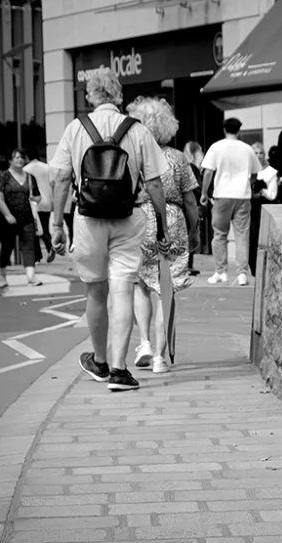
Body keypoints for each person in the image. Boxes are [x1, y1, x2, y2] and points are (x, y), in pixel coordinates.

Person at [49, 69, 173, 392]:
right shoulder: (137, 130)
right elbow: (156, 183)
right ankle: (119, 371)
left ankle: (99, 362)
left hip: (87, 220)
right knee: (122, 289)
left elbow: (61, 179)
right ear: (118, 96)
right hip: (126, 218)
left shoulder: (75, 129)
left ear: (90, 96)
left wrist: (56, 223)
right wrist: (162, 224)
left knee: (95, 291)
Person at [126, 96, 200, 374]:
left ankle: (143, 342)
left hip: (139, 221)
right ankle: (159, 357)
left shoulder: (134, 156)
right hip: (172, 221)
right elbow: (191, 201)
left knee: (141, 285)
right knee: (164, 291)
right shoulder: (178, 159)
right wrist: (194, 232)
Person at [200, 117, 261, 286]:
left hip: (222, 195)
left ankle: (221, 272)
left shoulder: (217, 147)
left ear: (224, 130)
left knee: (219, 234)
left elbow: (207, 172)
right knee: (242, 236)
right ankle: (242, 274)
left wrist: (204, 193)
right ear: (239, 130)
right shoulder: (247, 149)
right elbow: (256, 173)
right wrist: (248, 184)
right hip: (243, 196)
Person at [0, 148, 44, 289]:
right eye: (16, 157)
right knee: (7, 247)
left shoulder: (29, 177)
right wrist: (8, 215)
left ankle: (30, 275)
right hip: (8, 218)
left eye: (22, 157)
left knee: (28, 246)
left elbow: (38, 195)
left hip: (26, 216)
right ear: (10, 160)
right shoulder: (3, 177)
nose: (20, 160)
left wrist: (35, 199)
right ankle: (2, 273)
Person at [23, 147, 56, 263]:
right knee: (45, 228)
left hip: (34, 203)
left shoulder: (25, 169)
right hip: (47, 201)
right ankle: (50, 247)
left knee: (35, 230)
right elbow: (52, 184)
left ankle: (38, 255)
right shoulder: (47, 168)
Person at [249, 143, 279, 274]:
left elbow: (273, 194)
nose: (258, 156)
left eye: (260, 153)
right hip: (249, 208)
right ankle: (253, 267)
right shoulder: (246, 171)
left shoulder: (270, 172)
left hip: (263, 207)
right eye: (255, 153)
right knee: (251, 239)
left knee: (262, 238)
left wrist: (262, 192)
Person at [183, 140, 206, 276]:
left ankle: (188, 265)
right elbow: (195, 187)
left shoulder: (187, 166)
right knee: (190, 231)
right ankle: (187, 265)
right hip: (189, 205)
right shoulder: (192, 167)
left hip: (186, 205)